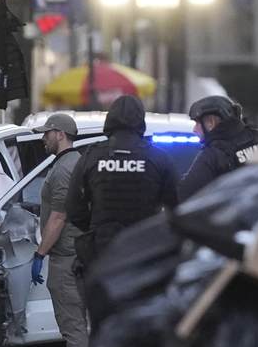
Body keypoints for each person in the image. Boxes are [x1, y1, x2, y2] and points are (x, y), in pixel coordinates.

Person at [67, 95, 179, 277]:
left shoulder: (92, 156)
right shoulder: (159, 158)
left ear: (110, 119)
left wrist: (98, 229)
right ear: (140, 121)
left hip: (102, 252)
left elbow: (73, 207)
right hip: (144, 252)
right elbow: (176, 206)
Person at [28, 113, 89, 347]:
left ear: (60, 134)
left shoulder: (64, 169)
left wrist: (40, 253)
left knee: (73, 326)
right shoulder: (76, 163)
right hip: (79, 253)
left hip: (66, 256)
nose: (43, 138)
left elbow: (59, 216)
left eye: (46, 133)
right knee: (82, 325)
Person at [178, 96, 258, 199]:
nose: (194, 129)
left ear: (210, 123)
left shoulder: (213, 156)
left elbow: (184, 195)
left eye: (197, 123)